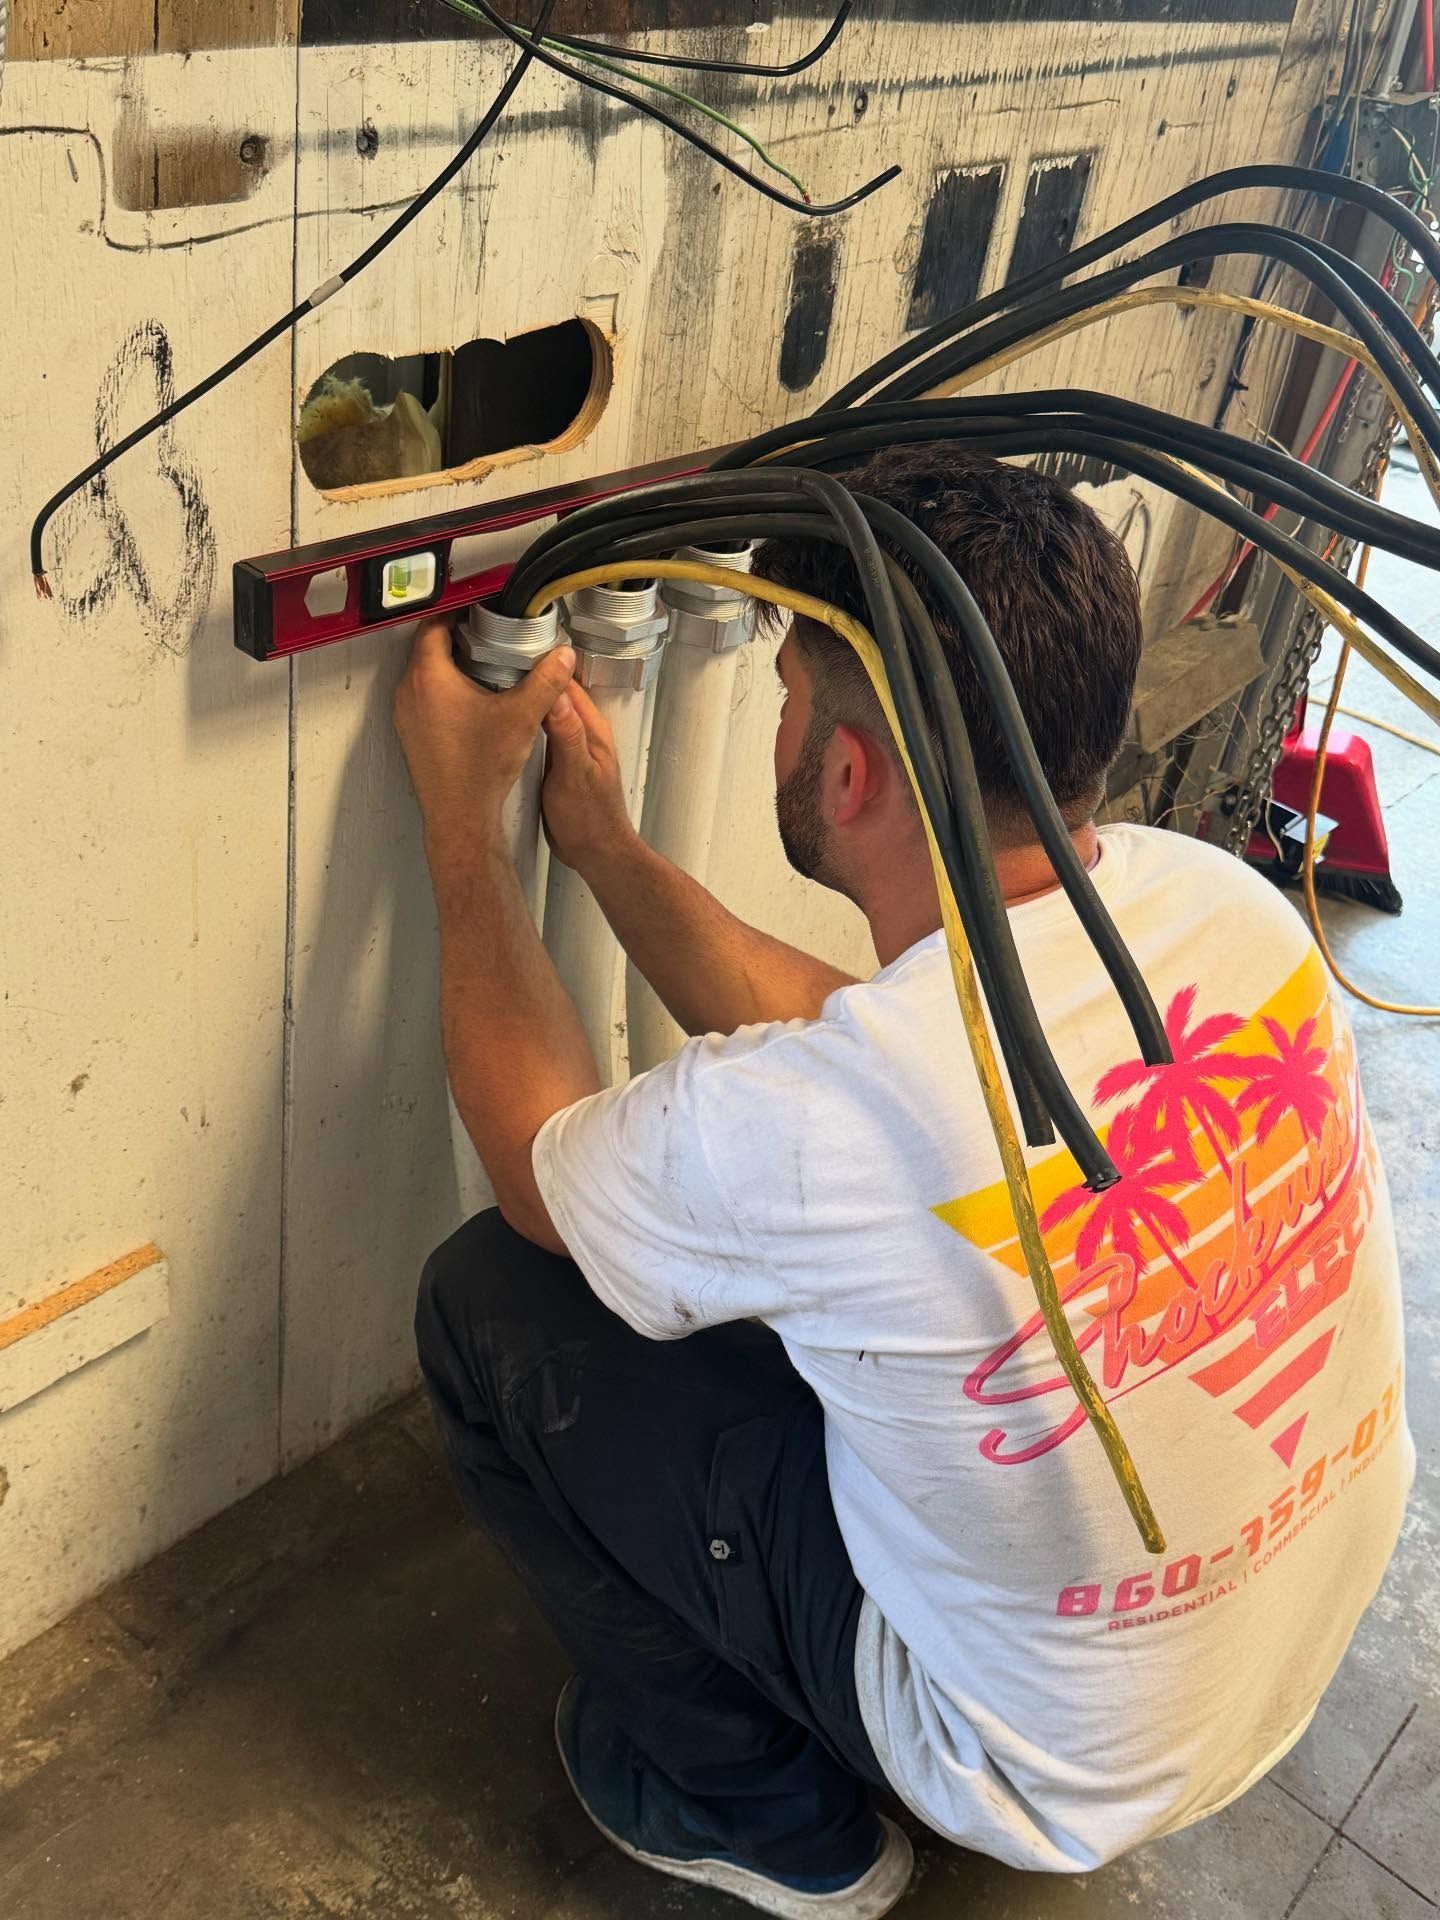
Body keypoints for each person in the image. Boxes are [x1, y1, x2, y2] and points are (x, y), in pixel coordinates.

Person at [395, 445, 1411, 1919]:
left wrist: (455, 828)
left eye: (795, 696)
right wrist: (606, 854)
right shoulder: (1222, 908)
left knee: (484, 1300)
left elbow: (543, 1173)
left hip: (1038, 1769)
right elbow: (852, 1038)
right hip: (1285, 1655)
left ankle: (777, 1822)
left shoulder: (835, 1128)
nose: (787, 718)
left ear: (848, 772)